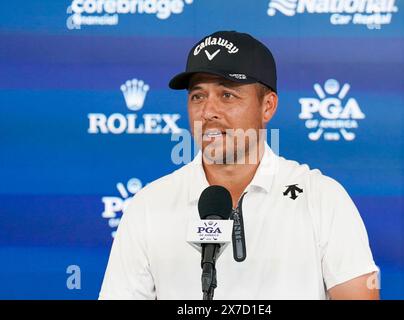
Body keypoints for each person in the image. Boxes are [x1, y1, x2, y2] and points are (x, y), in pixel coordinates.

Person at [99, 31, 379, 300]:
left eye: (227, 95)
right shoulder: (149, 206)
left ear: (267, 106)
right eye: (198, 96)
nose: (208, 112)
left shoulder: (322, 199)